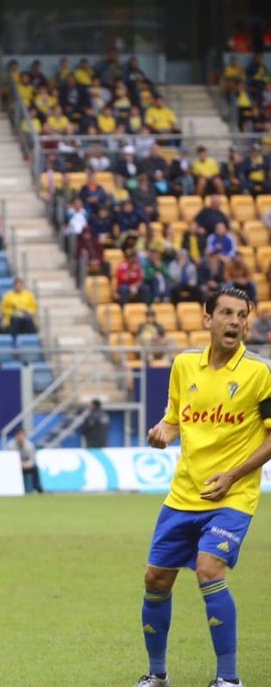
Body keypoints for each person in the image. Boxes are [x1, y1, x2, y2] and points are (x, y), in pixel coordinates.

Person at [134, 287, 271, 687]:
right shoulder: (183, 365)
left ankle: (228, 679)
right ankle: (157, 675)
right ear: (207, 319)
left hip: (232, 496)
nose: (235, 322)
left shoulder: (260, 373)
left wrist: (233, 475)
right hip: (183, 495)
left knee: (209, 569)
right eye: (226, 313)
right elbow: (174, 418)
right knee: (155, 580)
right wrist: (163, 432)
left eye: (241, 315)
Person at [10, 428, 42, 494]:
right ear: (16, 436)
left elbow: (33, 459)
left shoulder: (29, 446)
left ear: (24, 436)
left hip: (27, 466)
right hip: (15, 467)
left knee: (35, 468)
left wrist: (27, 464)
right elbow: (9, 459)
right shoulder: (10, 446)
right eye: (19, 435)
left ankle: (38, 488)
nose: (20, 437)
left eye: (22, 435)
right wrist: (19, 464)